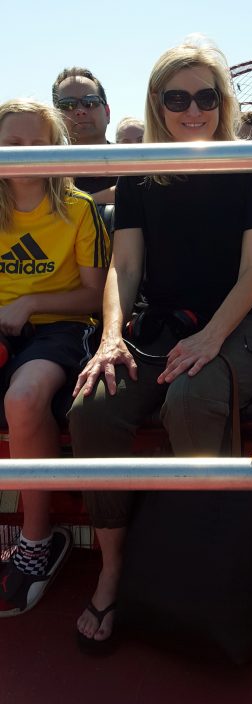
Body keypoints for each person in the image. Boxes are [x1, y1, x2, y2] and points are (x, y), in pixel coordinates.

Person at [69, 39, 252, 648]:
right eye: (177, 98)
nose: (193, 110)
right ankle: (114, 569)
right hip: (160, 322)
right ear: (157, 104)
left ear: (223, 102)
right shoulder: (142, 173)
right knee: (92, 408)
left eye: (206, 97)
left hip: (237, 323)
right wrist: (111, 338)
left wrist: (212, 338)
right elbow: (125, 269)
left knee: (191, 398)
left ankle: (200, 571)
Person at [0, 99, 109, 617]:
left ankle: (38, 540)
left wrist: (31, 302)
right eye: (13, 145)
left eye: (37, 145)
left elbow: (93, 297)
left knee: (24, 398)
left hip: (61, 329)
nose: (25, 156)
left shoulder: (78, 209)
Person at [52, 67, 117, 204]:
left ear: (107, 112)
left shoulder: (136, 163)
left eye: (91, 102)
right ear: (56, 118)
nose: (80, 111)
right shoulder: (46, 176)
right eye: (68, 105)